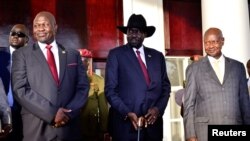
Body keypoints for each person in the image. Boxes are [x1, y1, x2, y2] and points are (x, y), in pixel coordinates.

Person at [11, 11, 90, 141]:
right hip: (37, 129)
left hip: (68, 129)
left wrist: (68, 113)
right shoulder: (21, 55)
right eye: (36, 25)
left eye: (45, 24)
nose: (40, 29)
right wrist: (53, 113)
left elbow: (83, 87)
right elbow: (20, 89)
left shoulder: (72, 54)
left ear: (55, 27)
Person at [105, 14, 171, 141]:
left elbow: (165, 88)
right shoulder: (116, 55)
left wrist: (158, 109)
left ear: (145, 34)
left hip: (153, 127)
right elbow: (110, 90)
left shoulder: (157, 56)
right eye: (130, 31)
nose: (133, 34)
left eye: (138, 31)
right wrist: (127, 113)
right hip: (125, 127)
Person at [183, 27, 250, 141]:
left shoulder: (238, 67)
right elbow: (189, 105)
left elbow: (244, 102)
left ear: (222, 41)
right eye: (206, 43)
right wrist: (191, 135)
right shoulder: (194, 69)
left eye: (214, 42)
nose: (210, 46)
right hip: (205, 133)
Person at [0, 24, 29, 141]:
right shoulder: (1, 56)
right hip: (3, 113)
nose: (15, 36)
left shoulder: (33, 59)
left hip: (25, 112)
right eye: (13, 33)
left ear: (27, 39)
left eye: (20, 34)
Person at [78, 49, 109, 141]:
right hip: (73, 126)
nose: (83, 62)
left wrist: (103, 129)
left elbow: (103, 106)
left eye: (85, 60)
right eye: (80, 60)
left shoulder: (98, 80)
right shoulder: (68, 78)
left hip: (91, 127)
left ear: (89, 62)